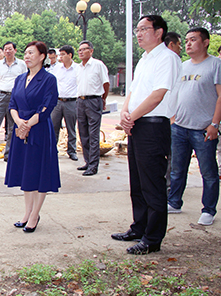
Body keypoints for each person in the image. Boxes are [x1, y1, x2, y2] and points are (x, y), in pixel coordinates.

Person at [112, 15, 181, 255]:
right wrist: (124, 113)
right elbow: (132, 92)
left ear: (159, 32)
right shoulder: (144, 59)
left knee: (152, 184)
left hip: (153, 125)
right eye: (137, 30)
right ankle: (138, 227)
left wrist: (132, 117)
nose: (139, 34)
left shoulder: (168, 59)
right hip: (137, 125)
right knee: (137, 182)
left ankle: (152, 239)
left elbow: (157, 95)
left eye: (144, 29)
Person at [167, 27, 221, 226]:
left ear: (206, 42)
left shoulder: (216, 65)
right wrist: (173, 117)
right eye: (186, 40)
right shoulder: (183, 66)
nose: (188, 44)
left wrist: (214, 124)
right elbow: (175, 93)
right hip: (179, 127)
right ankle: (174, 202)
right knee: (177, 169)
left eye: (193, 40)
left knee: (208, 172)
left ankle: (208, 209)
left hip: (203, 128)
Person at [5, 41, 60, 233]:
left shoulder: (48, 79)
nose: (27, 56)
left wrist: (28, 124)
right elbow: (12, 104)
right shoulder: (20, 79)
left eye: (31, 53)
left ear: (42, 56)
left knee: (39, 172)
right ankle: (26, 213)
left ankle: (35, 214)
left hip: (39, 130)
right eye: (26, 53)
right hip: (21, 130)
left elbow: (47, 106)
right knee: (26, 172)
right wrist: (20, 123)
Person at [75, 40, 110, 176]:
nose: (81, 52)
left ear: (91, 51)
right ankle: (88, 161)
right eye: (79, 50)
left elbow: (105, 84)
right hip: (81, 101)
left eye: (84, 49)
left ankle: (94, 165)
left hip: (93, 100)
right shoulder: (78, 67)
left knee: (93, 134)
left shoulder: (98, 65)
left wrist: (103, 99)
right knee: (83, 133)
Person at [50, 45, 78, 161]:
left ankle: (72, 151)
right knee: (53, 126)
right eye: (59, 54)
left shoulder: (78, 68)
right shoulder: (57, 69)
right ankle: (52, 150)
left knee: (71, 128)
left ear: (70, 55)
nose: (60, 57)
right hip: (57, 102)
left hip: (71, 102)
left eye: (62, 54)